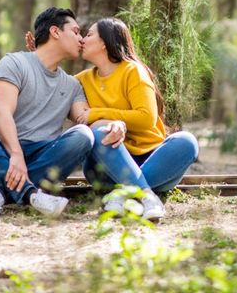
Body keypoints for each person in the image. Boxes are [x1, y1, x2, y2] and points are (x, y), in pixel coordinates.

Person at [0, 7, 94, 217]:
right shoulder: (14, 63)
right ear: (55, 32)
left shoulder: (72, 85)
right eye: (76, 32)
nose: (81, 39)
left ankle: (3, 194)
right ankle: (30, 193)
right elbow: (2, 112)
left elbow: (86, 118)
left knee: (83, 136)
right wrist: (16, 154)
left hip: (42, 160)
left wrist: (118, 120)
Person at [75, 18, 199, 220]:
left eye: (89, 35)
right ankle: (146, 194)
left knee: (187, 141)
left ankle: (122, 195)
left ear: (104, 42)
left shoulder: (133, 71)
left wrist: (97, 113)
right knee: (99, 131)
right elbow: (51, 88)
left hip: (153, 160)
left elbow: (146, 118)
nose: (82, 39)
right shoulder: (82, 79)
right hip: (107, 164)